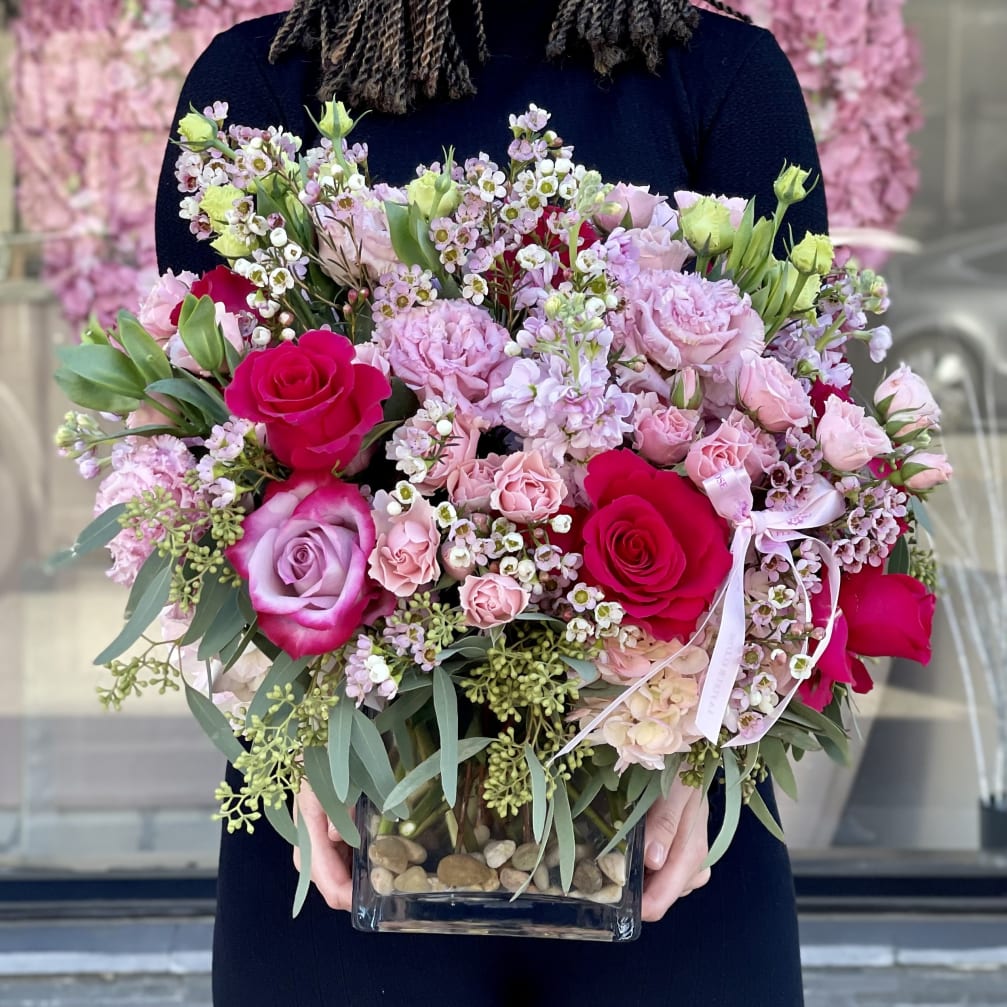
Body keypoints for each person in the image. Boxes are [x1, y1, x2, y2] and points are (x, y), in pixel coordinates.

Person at [155, 3, 826, 1004]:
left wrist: (703, 743)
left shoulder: (720, 73)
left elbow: (798, 459)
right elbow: (201, 466)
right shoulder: (261, 87)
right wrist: (300, 735)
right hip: (349, 818)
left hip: (658, 830)